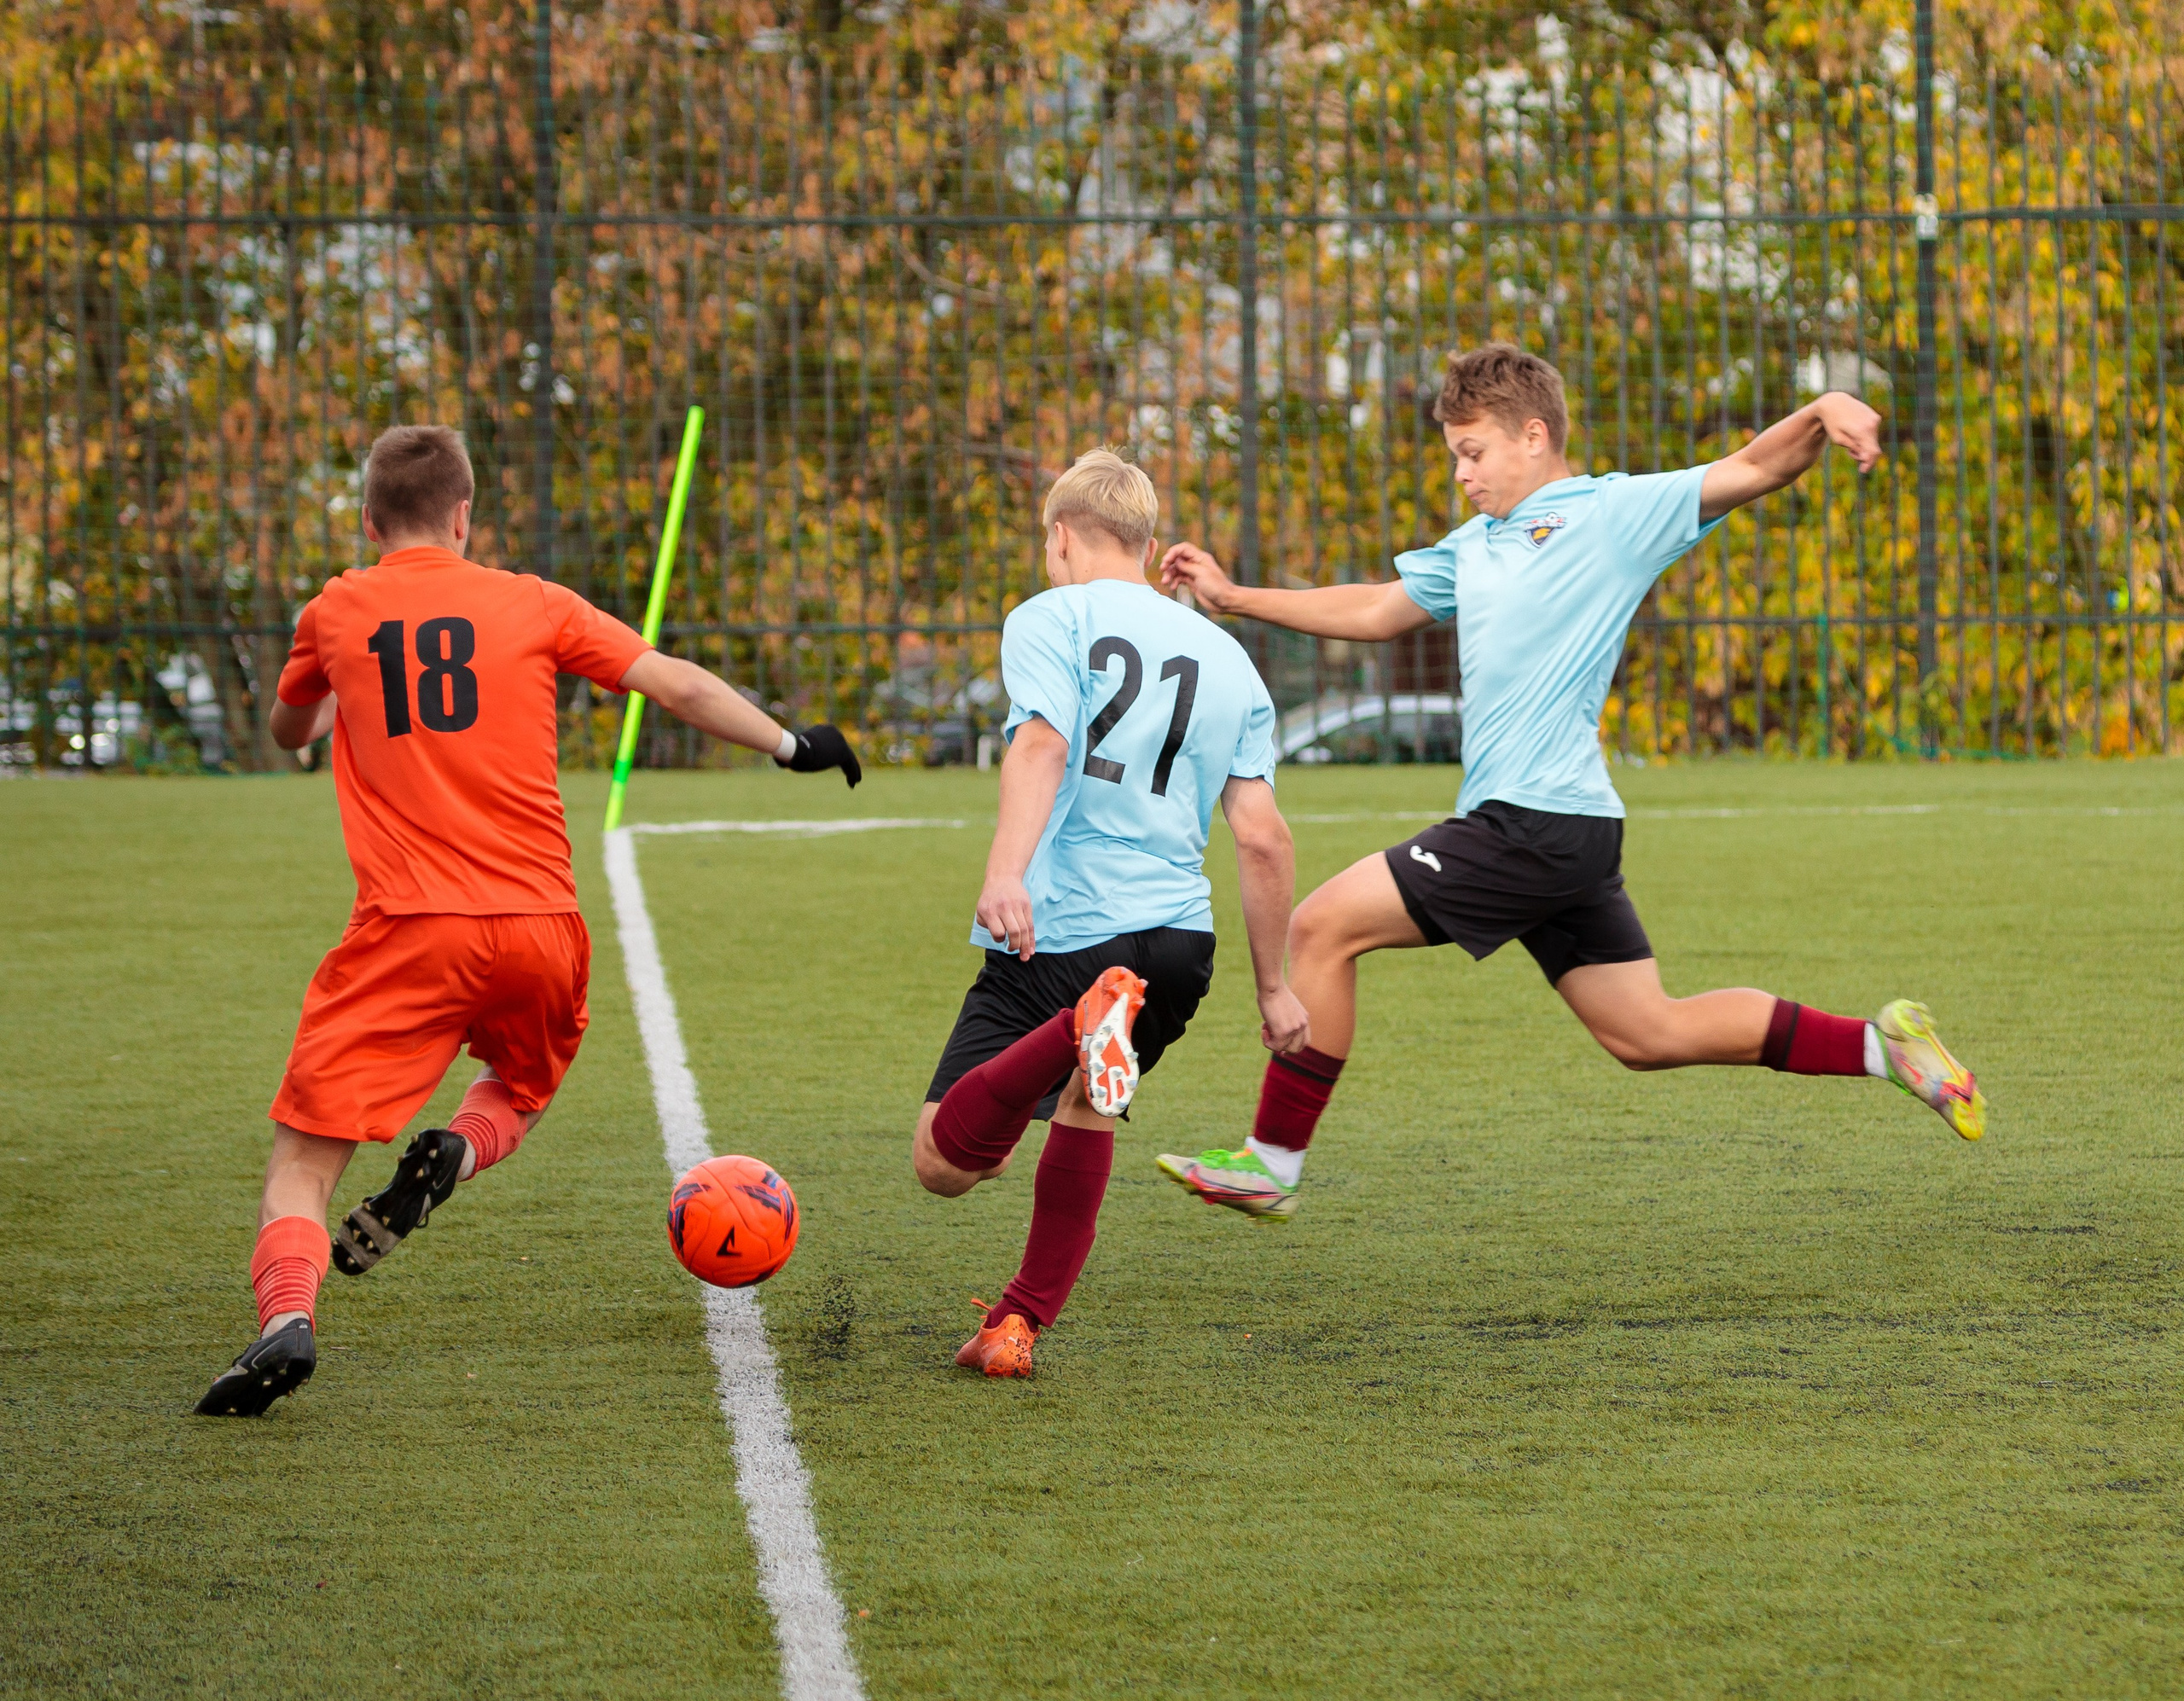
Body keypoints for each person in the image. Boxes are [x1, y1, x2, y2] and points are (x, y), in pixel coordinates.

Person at [1153, 343, 1985, 1222]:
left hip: (1532, 823)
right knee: (1645, 1032)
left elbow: (1751, 467)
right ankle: (1881, 1047)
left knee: (1319, 926)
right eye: (1454, 458)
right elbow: (1374, 608)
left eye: (1473, 453)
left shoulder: (1609, 512)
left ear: (1534, 435)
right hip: (1565, 828)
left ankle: (1271, 1161)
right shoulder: (1473, 546)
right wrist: (1237, 596)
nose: (1462, 475)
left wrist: (1825, 408)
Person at [195, 424, 861, 1417]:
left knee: (304, 1156)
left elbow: (292, 727)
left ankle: (288, 1317)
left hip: (409, 929)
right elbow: (670, 678)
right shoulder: (533, 601)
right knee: (522, 1083)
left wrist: (339, 693)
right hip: (540, 923)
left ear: (372, 521)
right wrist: (789, 741)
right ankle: (458, 1151)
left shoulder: (335, 608)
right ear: (465, 514)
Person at [914, 449, 1309, 1377]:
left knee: (945, 1159)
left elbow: (1043, 742)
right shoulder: (1228, 657)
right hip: (1177, 943)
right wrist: (1274, 986)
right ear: (1150, 543)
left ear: (1059, 537)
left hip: (1065, 923)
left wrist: (1005, 870)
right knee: (1085, 1112)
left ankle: (1074, 1027)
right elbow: (1262, 837)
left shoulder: (1052, 614)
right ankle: (1015, 1327)